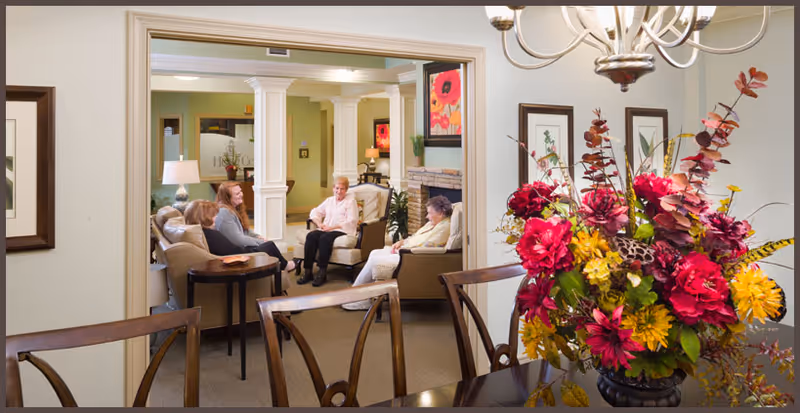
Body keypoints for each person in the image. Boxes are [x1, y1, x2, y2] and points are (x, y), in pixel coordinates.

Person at [342, 195, 453, 311]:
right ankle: (357, 295)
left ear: (440, 213)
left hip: (413, 257)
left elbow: (427, 246)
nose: (427, 216)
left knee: (375, 259)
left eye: (430, 213)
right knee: (375, 252)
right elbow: (416, 238)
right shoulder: (433, 224)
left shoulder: (445, 227)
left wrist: (402, 249)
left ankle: (356, 296)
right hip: (407, 252)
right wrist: (401, 242)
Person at [214, 182, 295, 272]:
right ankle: (285, 266)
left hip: (239, 247)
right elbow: (238, 240)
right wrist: (260, 242)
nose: (241, 195)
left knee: (268, 244)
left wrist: (257, 236)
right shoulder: (225, 213)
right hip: (234, 252)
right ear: (227, 197)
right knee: (268, 246)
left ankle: (282, 266)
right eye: (237, 194)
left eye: (240, 192)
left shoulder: (233, 209)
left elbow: (245, 230)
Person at [298, 176, 359, 287]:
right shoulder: (329, 201)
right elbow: (316, 212)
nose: (339, 191)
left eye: (342, 189)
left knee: (324, 239)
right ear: (333, 188)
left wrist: (332, 228)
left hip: (341, 230)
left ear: (346, 190)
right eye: (337, 188)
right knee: (311, 236)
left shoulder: (350, 202)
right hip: (326, 228)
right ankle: (308, 272)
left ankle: (322, 272)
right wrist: (319, 224)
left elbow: (352, 221)